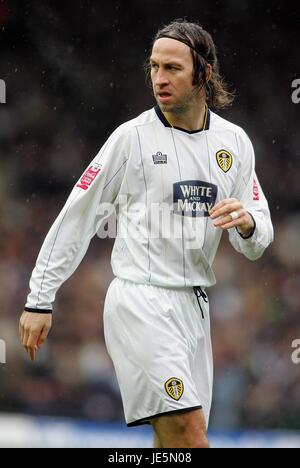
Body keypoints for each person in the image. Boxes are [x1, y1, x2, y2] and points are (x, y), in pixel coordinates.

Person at [20, 19, 274, 448]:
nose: (159, 78)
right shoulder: (131, 139)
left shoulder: (236, 143)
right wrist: (39, 298)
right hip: (141, 301)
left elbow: (257, 235)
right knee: (189, 436)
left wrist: (248, 224)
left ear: (204, 74)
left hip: (195, 307)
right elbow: (76, 216)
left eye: (172, 68)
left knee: (172, 443)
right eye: (154, 67)